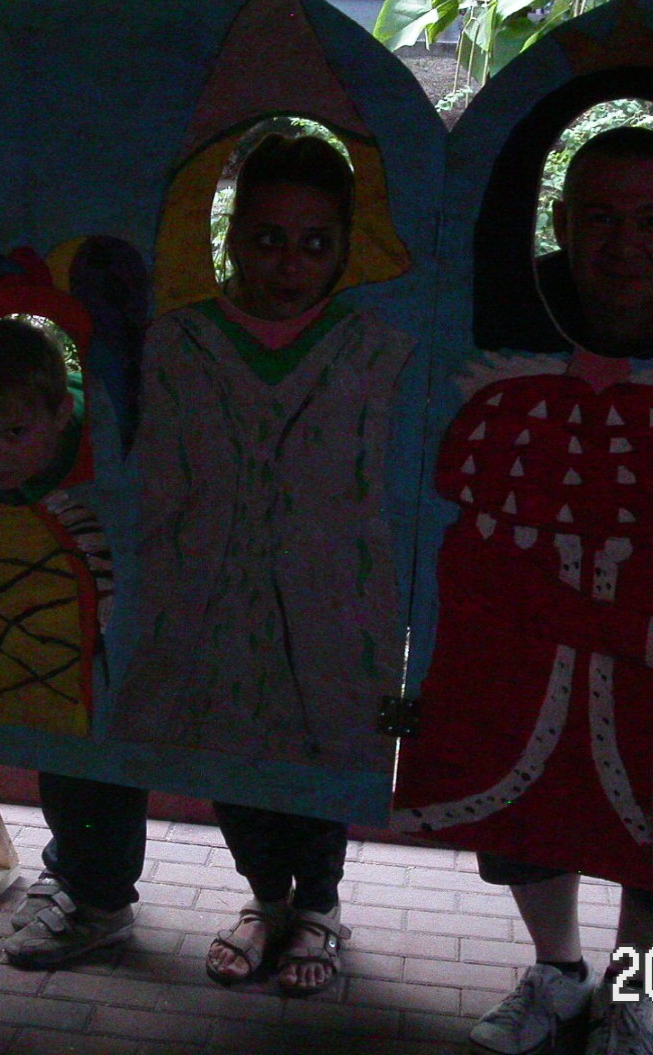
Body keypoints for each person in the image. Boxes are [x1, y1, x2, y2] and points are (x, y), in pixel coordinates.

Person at [392, 127, 653, 1055]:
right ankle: (558, 972)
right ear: (559, 224)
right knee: (520, 806)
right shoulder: (509, 329)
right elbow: (469, 554)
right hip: (529, 651)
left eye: (652, 221)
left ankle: (631, 992)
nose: (624, 243)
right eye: (599, 217)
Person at [114, 131, 413, 996]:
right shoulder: (177, 343)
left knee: (328, 746)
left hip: (335, 605)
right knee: (228, 748)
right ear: (232, 237)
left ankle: (318, 905)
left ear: (345, 248)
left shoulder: (379, 349)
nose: (290, 262)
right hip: (206, 600)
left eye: (316, 242)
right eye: (268, 238)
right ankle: (266, 900)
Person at [0, 316, 150, 969]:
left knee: (99, 761)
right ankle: (73, 873)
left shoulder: (100, 451)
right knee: (61, 759)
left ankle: (102, 904)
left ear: (61, 415)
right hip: (34, 638)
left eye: (15, 433)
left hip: (98, 643)